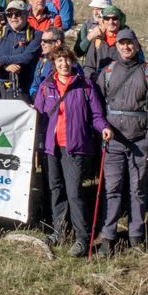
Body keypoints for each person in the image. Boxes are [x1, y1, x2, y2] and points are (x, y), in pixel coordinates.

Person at [33, 44, 110, 257]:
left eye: (67, 60)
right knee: (55, 189)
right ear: (54, 64)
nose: (64, 64)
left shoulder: (84, 85)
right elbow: (37, 113)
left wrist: (103, 127)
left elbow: (96, 114)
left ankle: (82, 237)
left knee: (74, 192)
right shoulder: (47, 86)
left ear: (73, 62)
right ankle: (60, 231)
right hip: (51, 146)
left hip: (75, 146)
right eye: (59, 61)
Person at [94, 27, 148, 253]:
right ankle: (108, 235)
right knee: (111, 189)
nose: (126, 47)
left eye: (130, 43)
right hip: (113, 142)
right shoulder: (106, 72)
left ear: (137, 45)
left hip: (139, 142)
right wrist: (103, 129)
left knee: (138, 190)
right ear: (116, 46)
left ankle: (136, 235)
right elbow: (96, 108)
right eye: (122, 43)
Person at [0, 2, 42, 102]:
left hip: (24, 87)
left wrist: (1, 60)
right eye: (9, 14)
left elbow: (27, 57)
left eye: (17, 14)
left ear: (26, 14)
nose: (13, 17)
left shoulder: (36, 35)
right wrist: (5, 67)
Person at [80, 7, 127, 75]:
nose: (111, 22)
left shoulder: (128, 41)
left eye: (114, 18)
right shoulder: (97, 41)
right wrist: (93, 79)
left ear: (120, 20)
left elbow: (137, 66)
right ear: (103, 21)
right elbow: (88, 66)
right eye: (107, 18)